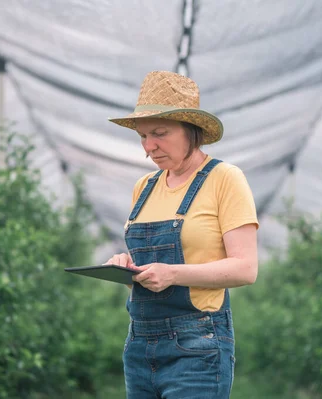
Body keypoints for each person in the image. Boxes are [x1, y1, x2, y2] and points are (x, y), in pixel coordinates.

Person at [106, 70, 259, 399]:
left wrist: (173, 274)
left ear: (192, 130)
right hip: (139, 345)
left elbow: (246, 268)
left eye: (159, 133)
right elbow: (152, 262)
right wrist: (126, 264)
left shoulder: (224, 179)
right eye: (143, 136)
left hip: (197, 345)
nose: (149, 146)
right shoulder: (144, 188)